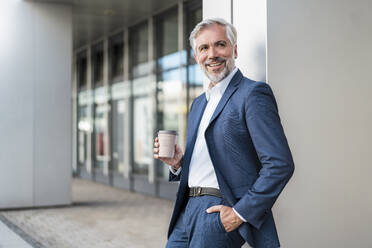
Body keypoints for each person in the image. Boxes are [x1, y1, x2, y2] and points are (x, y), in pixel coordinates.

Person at [153, 18, 294, 248]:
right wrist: (178, 164)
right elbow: (214, 162)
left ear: (235, 50)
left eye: (220, 44)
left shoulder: (252, 94)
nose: (212, 54)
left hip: (218, 211)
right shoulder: (199, 104)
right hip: (187, 209)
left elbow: (280, 164)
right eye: (204, 48)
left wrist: (240, 213)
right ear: (196, 57)